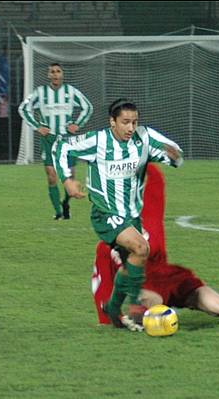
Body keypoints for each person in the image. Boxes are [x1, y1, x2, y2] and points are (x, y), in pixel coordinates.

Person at [54, 99, 184, 328]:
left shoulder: (144, 138)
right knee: (141, 248)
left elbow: (174, 155)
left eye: (134, 122)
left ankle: (113, 309)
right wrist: (67, 181)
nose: (131, 128)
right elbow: (61, 147)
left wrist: (174, 156)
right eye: (125, 122)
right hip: (105, 213)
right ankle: (135, 308)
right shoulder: (98, 140)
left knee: (131, 264)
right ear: (112, 121)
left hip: (132, 216)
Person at [91, 164, 219, 330]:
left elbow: (156, 180)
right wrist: (109, 319)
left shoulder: (149, 215)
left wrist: (137, 161)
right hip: (146, 290)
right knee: (150, 302)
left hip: (172, 280)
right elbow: (101, 284)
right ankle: (148, 317)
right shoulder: (106, 246)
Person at [18, 62, 94, 220]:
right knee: (52, 175)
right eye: (52, 71)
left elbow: (88, 107)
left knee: (70, 177)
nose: (55, 74)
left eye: (58, 71)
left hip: (67, 140)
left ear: (62, 74)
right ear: (48, 75)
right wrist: (37, 126)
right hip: (49, 138)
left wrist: (77, 124)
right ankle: (58, 211)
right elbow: (23, 108)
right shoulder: (40, 92)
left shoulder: (70, 91)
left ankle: (66, 203)